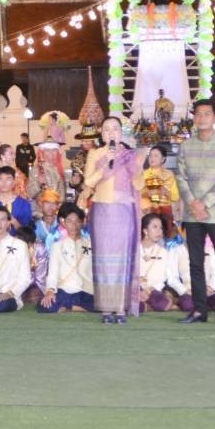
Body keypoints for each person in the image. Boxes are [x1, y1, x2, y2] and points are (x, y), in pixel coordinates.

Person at [175, 98, 215, 324]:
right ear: (194, 117)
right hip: (192, 213)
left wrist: (205, 204)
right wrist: (193, 203)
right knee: (195, 262)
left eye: (206, 114)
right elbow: (180, 177)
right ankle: (199, 310)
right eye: (198, 114)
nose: (202, 118)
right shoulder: (186, 146)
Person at [82, 115, 144, 323]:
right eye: (107, 129)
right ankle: (106, 309)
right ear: (102, 134)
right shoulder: (95, 154)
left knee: (122, 258)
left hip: (124, 211)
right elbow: (88, 182)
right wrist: (105, 165)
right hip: (102, 211)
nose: (111, 133)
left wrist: (136, 166)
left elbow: (139, 184)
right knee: (104, 260)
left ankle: (120, 308)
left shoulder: (128, 155)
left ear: (121, 133)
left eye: (115, 129)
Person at [37, 203, 95, 313]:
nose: (74, 225)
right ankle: (76, 307)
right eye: (70, 221)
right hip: (65, 290)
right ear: (63, 223)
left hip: (86, 290)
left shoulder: (91, 245)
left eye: (77, 221)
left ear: (83, 222)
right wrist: (50, 290)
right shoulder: (57, 246)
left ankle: (68, 307)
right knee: (46, 305)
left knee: (103, 304)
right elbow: (53, 272)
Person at [138, 213, 175, 312]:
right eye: (155, 227)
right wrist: (138, 289)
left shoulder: (163, 252)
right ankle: (144, 305)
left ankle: (146, 306)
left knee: (163, 304)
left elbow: (164, 277)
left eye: (161, 228)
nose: (159, 231)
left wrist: (151, 289)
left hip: (153, 289)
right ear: (145, 231)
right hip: (135, 288)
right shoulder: (133, 250)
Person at [0, 166, 34, 232]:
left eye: (8, 179)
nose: (4, 182)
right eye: (0, 179)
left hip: (17, 238)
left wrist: (14, 222)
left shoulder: (24, 204)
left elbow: (28, 232)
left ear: (14, 181)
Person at [139, 145, 181, 225]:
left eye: (156, 156)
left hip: (166, 211)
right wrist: (146, 192)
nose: (152, 158)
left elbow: (176, 197)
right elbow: (137, 193)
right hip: (148, 212)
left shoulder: (169, 174)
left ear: (163, 159)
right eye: (150, 155)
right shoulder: (143, 174)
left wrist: (166, 192)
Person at [31, 188, 64, 253]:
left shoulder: (63, 224)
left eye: (54, 203)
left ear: (58, 206)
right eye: (47, 203)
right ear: (41, 204)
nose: (50, 207)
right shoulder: (36, 226)